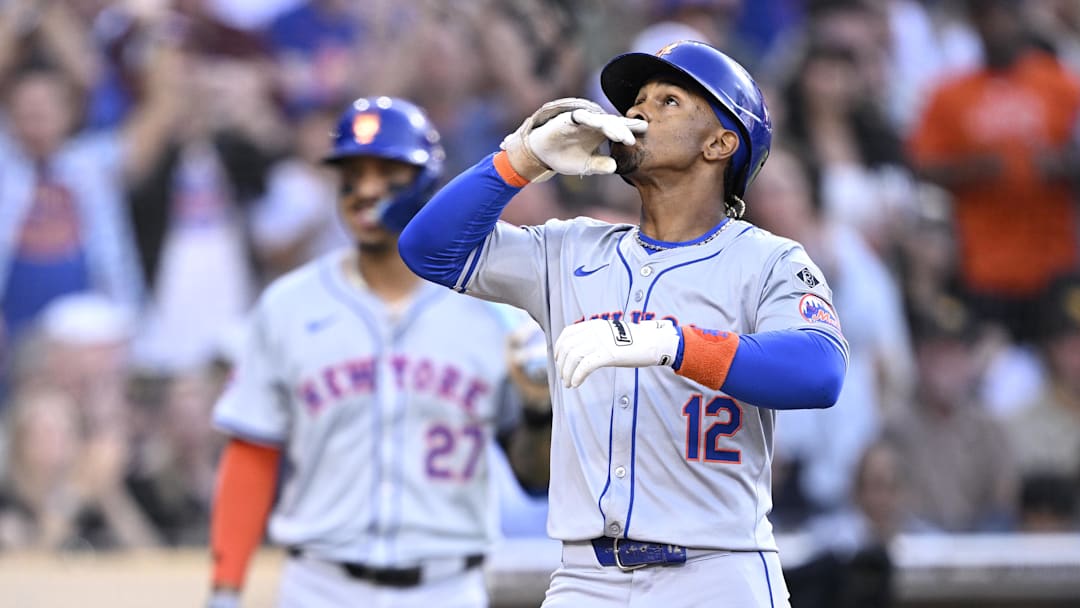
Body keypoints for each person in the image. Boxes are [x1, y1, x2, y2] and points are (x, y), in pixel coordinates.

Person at [400, 40, 848, 607]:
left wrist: (672, 342)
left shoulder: (768, 259)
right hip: (586, 577)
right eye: (636, 101)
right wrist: (520, 160)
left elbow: (820, 372)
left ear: (721, 142)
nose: (637, 113)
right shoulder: (570, 249)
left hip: (718, 569)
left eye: (668, 102)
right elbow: (427, 249)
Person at [207, 97, 550, 608]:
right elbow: (253, 451)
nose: (367, 188)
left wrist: (538, 413)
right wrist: (226, 589)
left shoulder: (492, 310)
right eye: (353, 170)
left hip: (447, 588)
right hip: (319, 586)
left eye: (389, 171)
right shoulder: (288, 305)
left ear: (430, 181)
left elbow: (535, 480)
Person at [907, 0, 1080, 343]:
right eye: (986, 15)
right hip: (985, 266)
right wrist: (975, 169)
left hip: (1056, 259)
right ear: (974, 23)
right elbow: (921, 166)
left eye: (1005, 14)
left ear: (1021, 19)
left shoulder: (1061, 84)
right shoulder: (950, 94)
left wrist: (1060, 164)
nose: (997, 25)